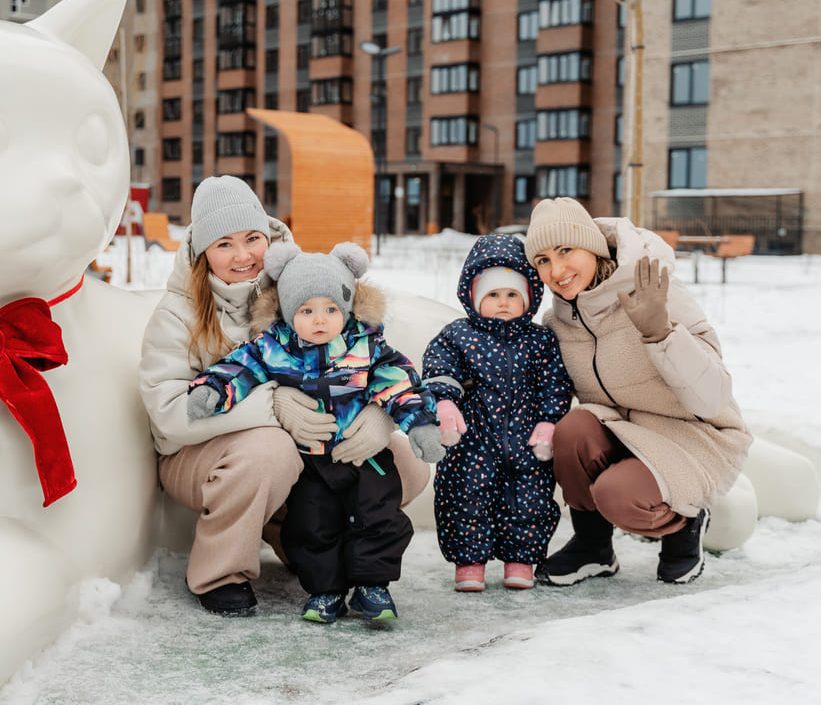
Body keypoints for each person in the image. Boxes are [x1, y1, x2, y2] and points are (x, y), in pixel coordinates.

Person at [137, 175, 430, 617]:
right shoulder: (178, 313)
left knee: (398, 463)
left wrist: (379, 414)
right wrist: (272, 405)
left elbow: (369, 360)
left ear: (269, 238)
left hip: (305, 450)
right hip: (196, 458)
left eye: (252, 238)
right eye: (223, 244)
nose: (242, 255)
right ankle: (220, 573)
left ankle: (316, 549)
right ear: (201, 253)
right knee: (270, 451)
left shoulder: (300, 290)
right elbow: (170, 416)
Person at [186, 241, 444, 623]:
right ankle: (325, 591)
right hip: (310, 462)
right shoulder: (272, 347)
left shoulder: (366, 346)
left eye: (330, 309)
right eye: (306, 310)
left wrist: (420, 423)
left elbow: (400, 384)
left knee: (379, 515)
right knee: (311, 525)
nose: (319, 320)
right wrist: (212, 390)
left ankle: (373, 586)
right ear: (289, 311)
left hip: (364, 456)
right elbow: (238, 370)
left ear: (347, 307)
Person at [523, 197, 752, 585]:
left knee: (619, 495)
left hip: (692, 435)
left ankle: (685, 522)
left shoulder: (656, 292)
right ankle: (592, 546)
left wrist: (661, 333)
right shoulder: (560, 321)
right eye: (543, 260)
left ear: (593, 247)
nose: (556, 270)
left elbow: (713, 398)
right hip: (622, 430)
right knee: (571, 429)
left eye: (565, 251)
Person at [421, 234, 573, 592]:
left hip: (526, 441)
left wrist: (549, 422)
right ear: (473, 296)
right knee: (465, 498)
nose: (503, 303)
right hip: (471, 442)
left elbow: (555, 383)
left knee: (529, 499)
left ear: (529, 298)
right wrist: (444, 401)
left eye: (511, 295)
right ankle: (469, 564)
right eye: (492, 294)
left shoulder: (540, 341)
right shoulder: (458, 335)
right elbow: (439, 369)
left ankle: (520, 561)